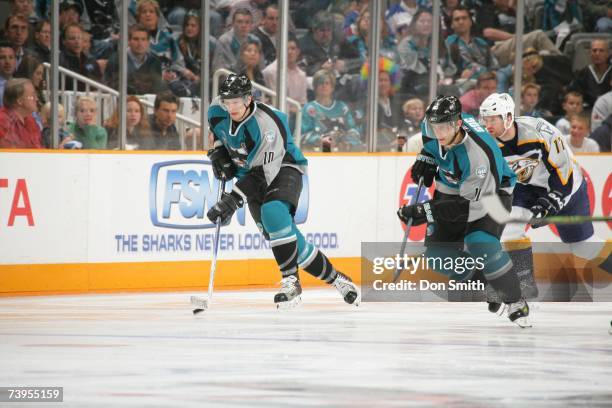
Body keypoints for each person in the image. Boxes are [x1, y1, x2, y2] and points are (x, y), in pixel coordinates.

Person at [206, 73, 360, 308]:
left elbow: (263, 173)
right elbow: (217, 133)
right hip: (250, 174)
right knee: (287, 241)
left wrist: (233, 199)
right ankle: (337, 279)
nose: (231, 107)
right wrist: (218, 151)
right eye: (227, 101)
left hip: (283, 168)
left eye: (236, 101)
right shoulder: (217, 110)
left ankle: (291, 282)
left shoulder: (267, 122)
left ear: (248, 99)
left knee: (273, 212)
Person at [396, 95, 529, 326]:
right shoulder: (431, 124)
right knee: (438, 257)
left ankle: (515, 299)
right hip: (454, 186)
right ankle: (491, 284)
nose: (438, 132)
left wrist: (424, 211)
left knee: (480, 241)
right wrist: (426, 157)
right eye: (435, 125)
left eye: (444, 127)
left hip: (491, 193)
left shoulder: (477, 156)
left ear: (458, 124)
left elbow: (465, 207)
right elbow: (432, 143)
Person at [479, 93, 611, 301]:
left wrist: (550, 202)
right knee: (509, 229)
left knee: (584, 247)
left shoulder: (540, 131)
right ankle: (524, 283)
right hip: (526, 188)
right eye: (484, 119)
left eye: (493, 119)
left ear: (508, 117)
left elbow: (563, 172)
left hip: (567, 185)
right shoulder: (486, 144)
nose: (488, 125)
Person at [300, 69, 363, 152]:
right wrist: (319, 140)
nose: (324, 86)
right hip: (317, 155)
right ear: (315, 87)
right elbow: (300, 135)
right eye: (320, 83)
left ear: (332, 87)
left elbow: (354, 130)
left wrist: (348, 141)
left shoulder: (342, 108)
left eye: (327, 83)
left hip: (342, 156)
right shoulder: (309, 109)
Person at [568, 39, 612, 109]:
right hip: (587, 111)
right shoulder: (582, 73)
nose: (597, 54)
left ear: (608, 54)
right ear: (590, 53)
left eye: (601, 51)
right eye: (594, 50)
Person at [0, 78, 41, 148]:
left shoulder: (30, 120)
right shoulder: (2, 121)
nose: (36, 99)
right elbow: (9, 153)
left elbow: (37, 149)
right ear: (20, 101)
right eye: (33, 96)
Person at [0, 43, 17, 108]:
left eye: (11, 57)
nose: (7, 62)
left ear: (15, 61)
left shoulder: (22, 85)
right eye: (2, 57)